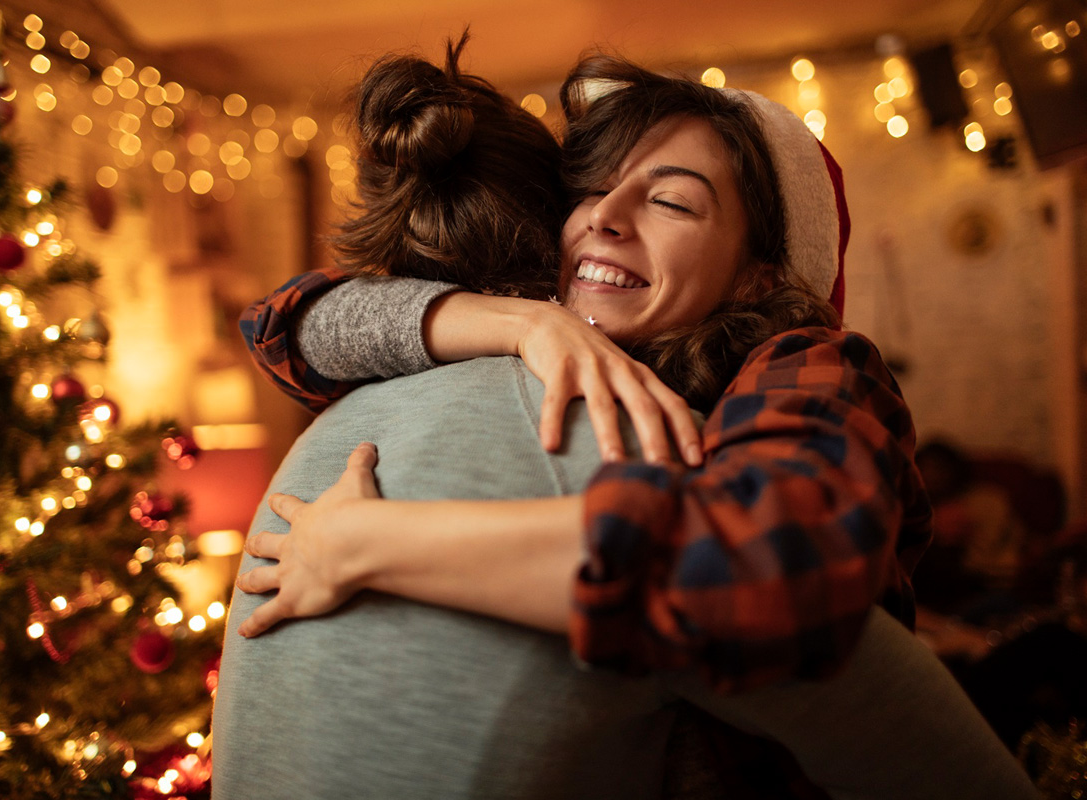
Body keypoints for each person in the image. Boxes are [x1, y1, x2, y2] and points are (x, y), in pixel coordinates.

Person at [218, 47, 1039, 798]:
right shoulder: (550, 339)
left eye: (672, 201)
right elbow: (283, 325)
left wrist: (371, 543)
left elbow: (774, 566)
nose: (603, 217)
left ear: (760, 275)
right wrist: (522, 323)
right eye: (590, 189)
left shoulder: (812, 363)